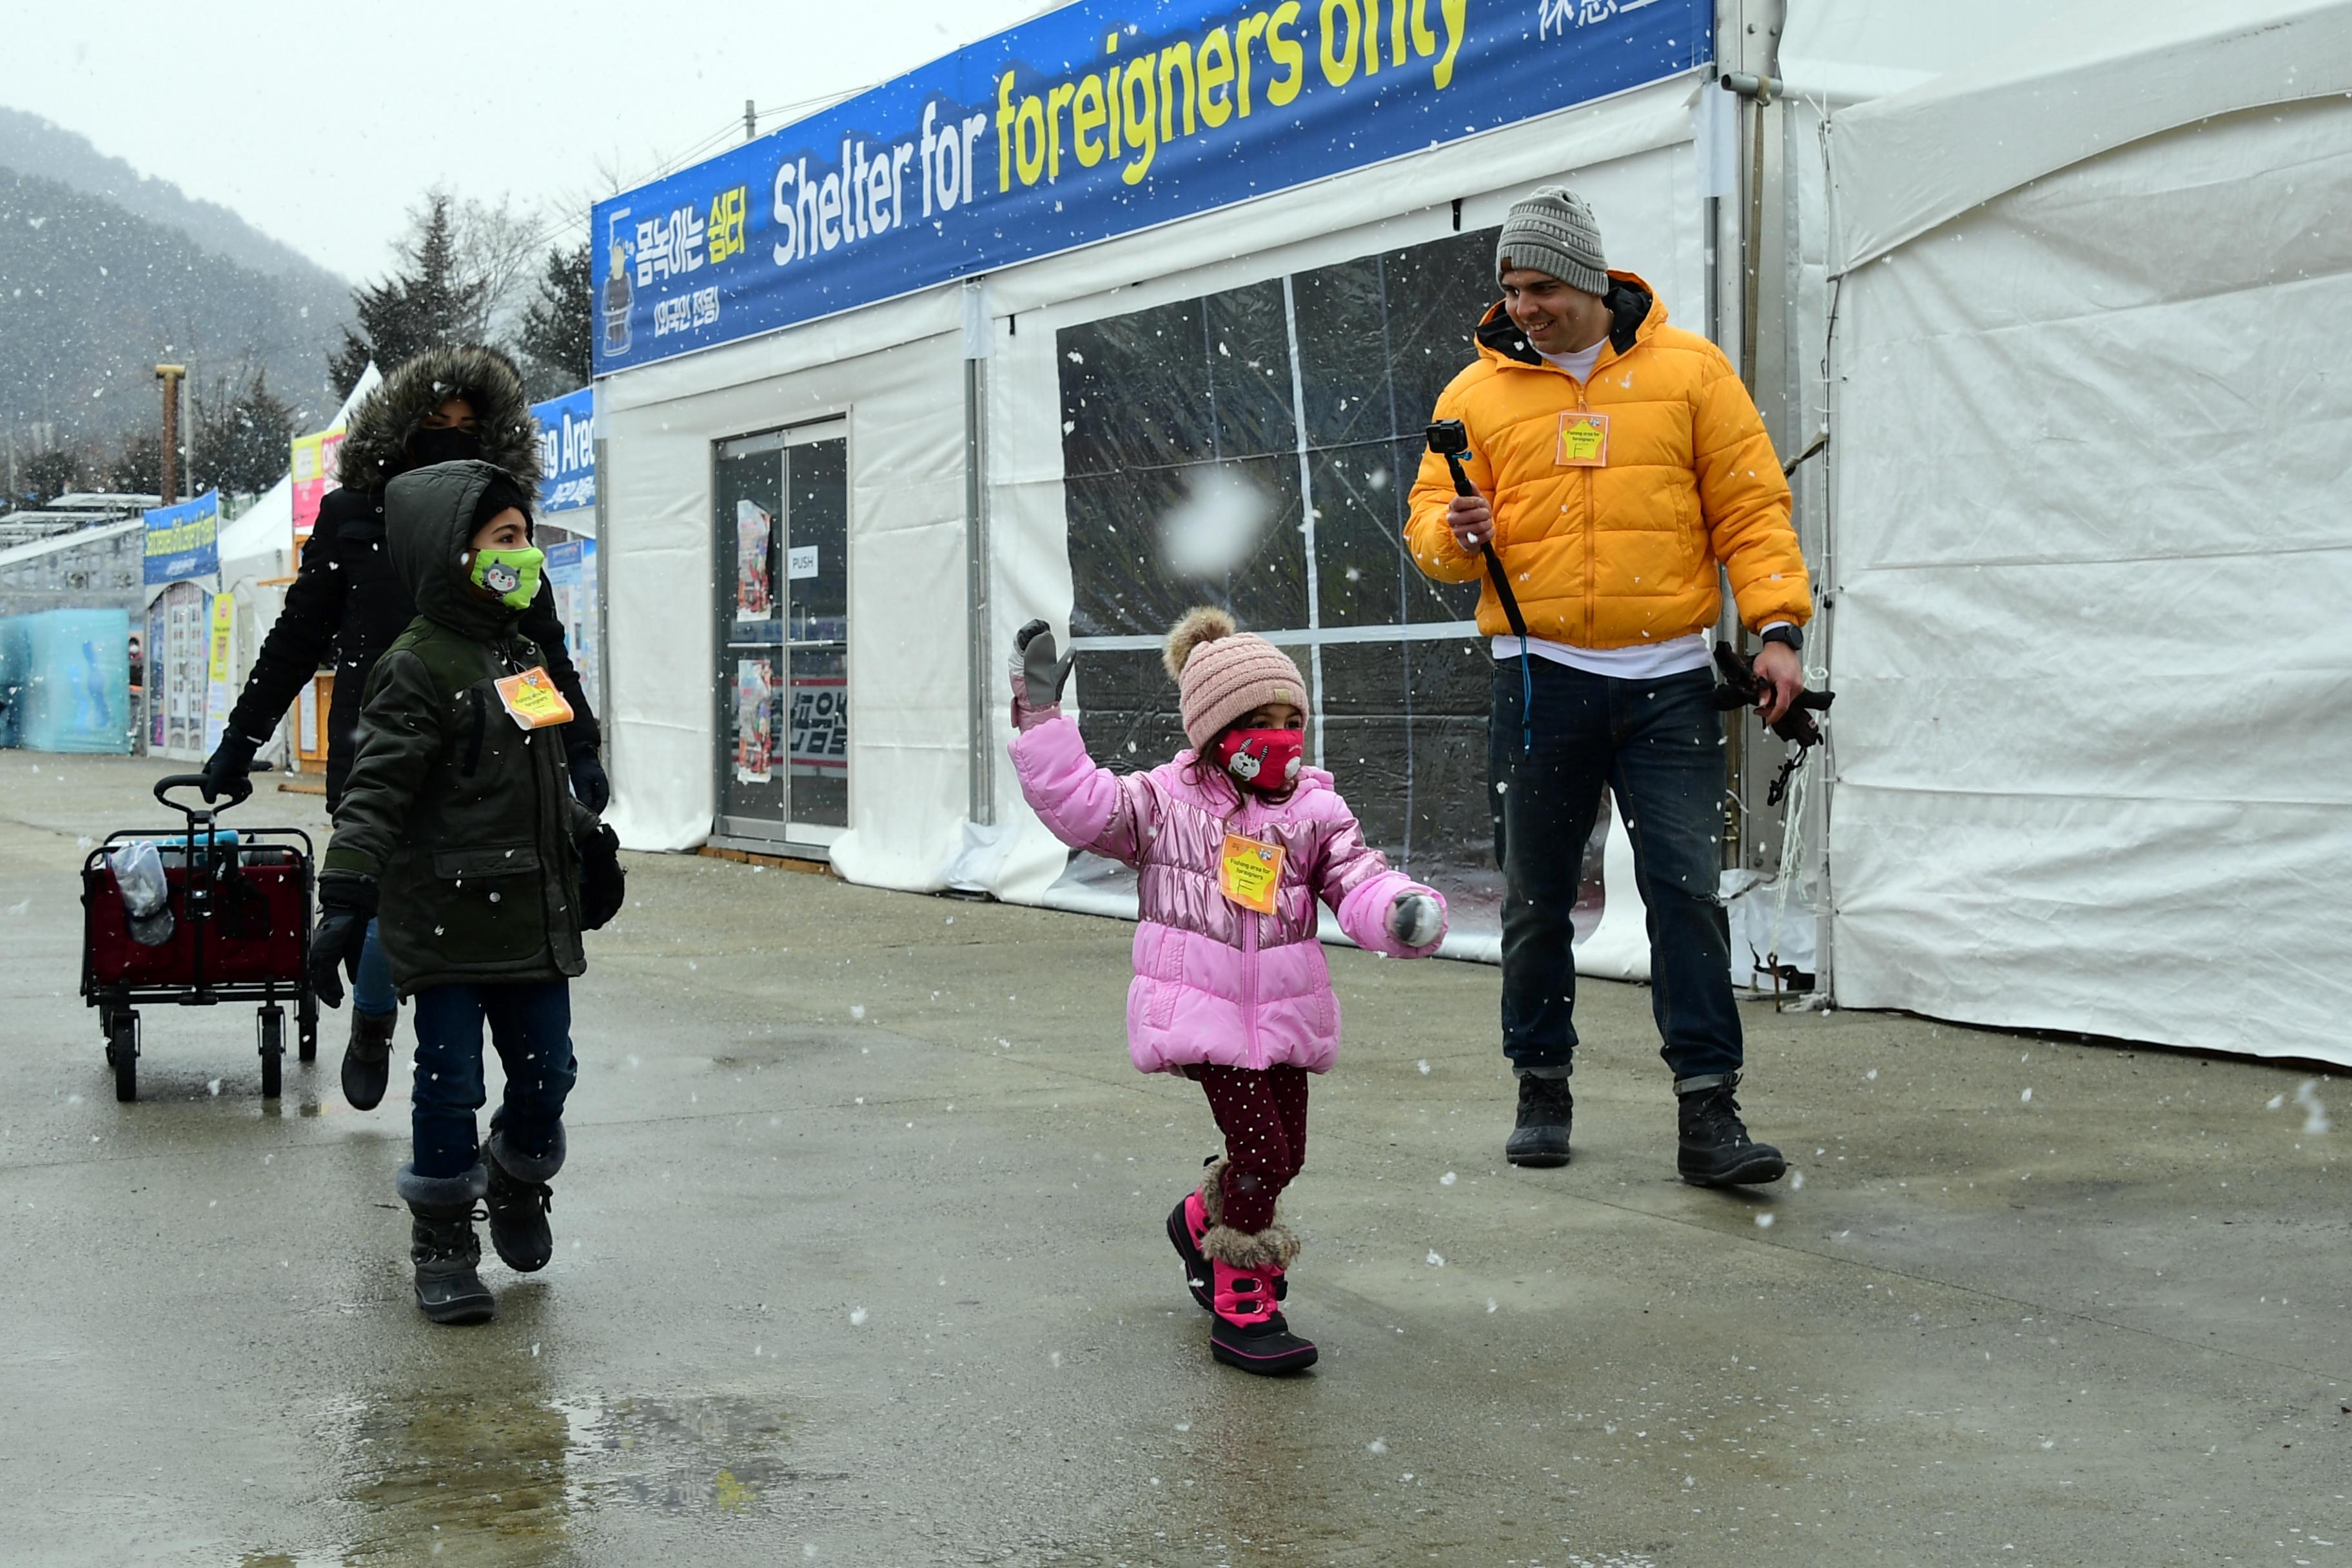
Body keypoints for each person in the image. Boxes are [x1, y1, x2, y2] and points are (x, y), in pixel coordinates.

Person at [1405, 186, 1812, 1188]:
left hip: (1670, 683)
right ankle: (1540, 1079)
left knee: (1686, 892)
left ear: (1589, 282)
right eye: (1511, 289)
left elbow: (1751, 511)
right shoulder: (1473, 395)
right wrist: (1451, 539)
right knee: (1537, 897)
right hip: (1540, 681)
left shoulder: (1690, 373)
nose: (1524, 309)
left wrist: (1778, 631)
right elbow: (1427, 525)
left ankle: (1707, 1109)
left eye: (1541, 287)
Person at [1007, 608, 1448, 1375]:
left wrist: (1403, 913)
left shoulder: (1314, 809)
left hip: (1284, 1010)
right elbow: (1080, 804)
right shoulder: (1163, 802)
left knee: (1287, 1156)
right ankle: (1243, 1290)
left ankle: (1195, 1220)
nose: (1281, 736)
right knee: (1259, 1149)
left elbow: (1360, 878)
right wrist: (1043, 719)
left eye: (1292, 720)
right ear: (1214, 729)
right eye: (1259, 721)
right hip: (1204, 1009)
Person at [200, 346, 605, 1115]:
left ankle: (443, 1060)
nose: (452, 437)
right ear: (402, 431)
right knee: (386, 903)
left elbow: (543, 643)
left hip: (491, 752)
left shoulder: (500, 523)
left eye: (467, 426)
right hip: (381, 745)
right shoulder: (356, 515)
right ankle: (376, 1022)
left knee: (455, 907)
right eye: (435, 424)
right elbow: (297, 636)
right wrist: (241, 739)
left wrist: (578, 742)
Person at [306, 460, 625, 1325]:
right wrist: (344, 897)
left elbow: (543, 778)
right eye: (507, 540)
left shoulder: (523, 654)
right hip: (445, 919)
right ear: (455, 553)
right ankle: (444, 1245)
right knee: (447, 1085)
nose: (526, 556)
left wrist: (587, 842)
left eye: (528, 537)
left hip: (533, 917)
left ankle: (517, 1178)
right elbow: (376, 792)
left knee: (548, 1077)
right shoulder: (416, 666)